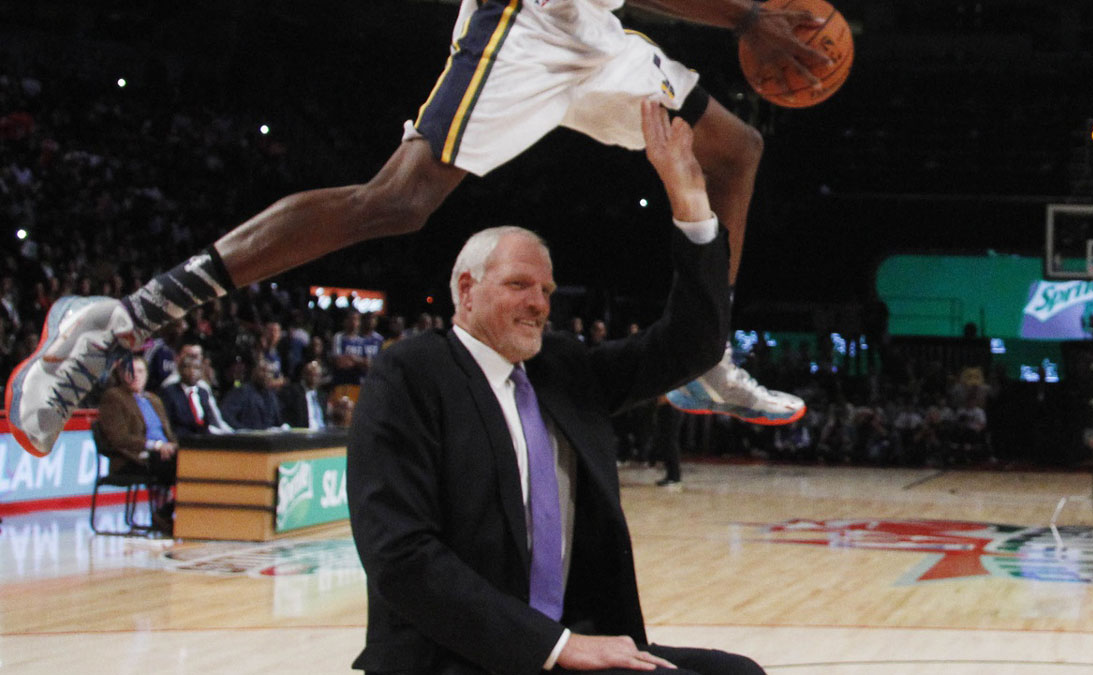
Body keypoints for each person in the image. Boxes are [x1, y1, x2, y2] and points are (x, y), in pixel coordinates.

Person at [4, 0, 823, 458]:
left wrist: (749, 16)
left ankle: (705, 353)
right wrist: (748, 16)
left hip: (590, 33)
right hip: (526, 21)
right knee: (397, 200)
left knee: (736, 148)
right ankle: (114, 321)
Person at [347, 102, 763, 675]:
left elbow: (690, 345)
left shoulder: (564, 370)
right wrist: (555, 647)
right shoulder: (411, 375)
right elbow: (400, 557)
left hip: (574, 642)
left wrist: (692, 210)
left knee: (733, 673)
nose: (539, 304)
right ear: (465, 291)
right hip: (456, 655)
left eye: (546, 289)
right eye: (520, 285)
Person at [96, 355, 178, 533]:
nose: (136, 376)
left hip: (164, 454)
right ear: (121, 374)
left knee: (194, 463)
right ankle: (163, 514)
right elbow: (118, 438)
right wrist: (155, 446)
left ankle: (166, 511)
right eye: (130, 371)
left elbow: (169, 434)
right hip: (132, 459)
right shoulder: (114, 397)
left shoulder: (154, 399)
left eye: (140, 371)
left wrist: (173, 446)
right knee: (179, 466)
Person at [159, 356, 224, 435]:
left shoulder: (203, 392)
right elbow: (169, 422)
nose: (192, 371)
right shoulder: (169, 392)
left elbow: (208, 420)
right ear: (179, 370)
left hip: (204, 438)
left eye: (196, 368)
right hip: (182, 438)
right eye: (187, 367)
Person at [220, 358, 285, 430]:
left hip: (268, 438)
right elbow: (226, 415)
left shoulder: (272, 397)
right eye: (263, 371)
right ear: (254, 371)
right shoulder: (242, 392)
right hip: (248, 438)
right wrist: (243, 431)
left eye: (269, 372)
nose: (266, 375)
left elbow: (278, 422)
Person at [279, 360, 330, 430]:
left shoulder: (322, 396)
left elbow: (325, 419)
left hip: (322, 434)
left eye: (316, 375)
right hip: (302, 434)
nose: (313, 378)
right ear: (304, 375)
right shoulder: (292, 392)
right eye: (310, 374)